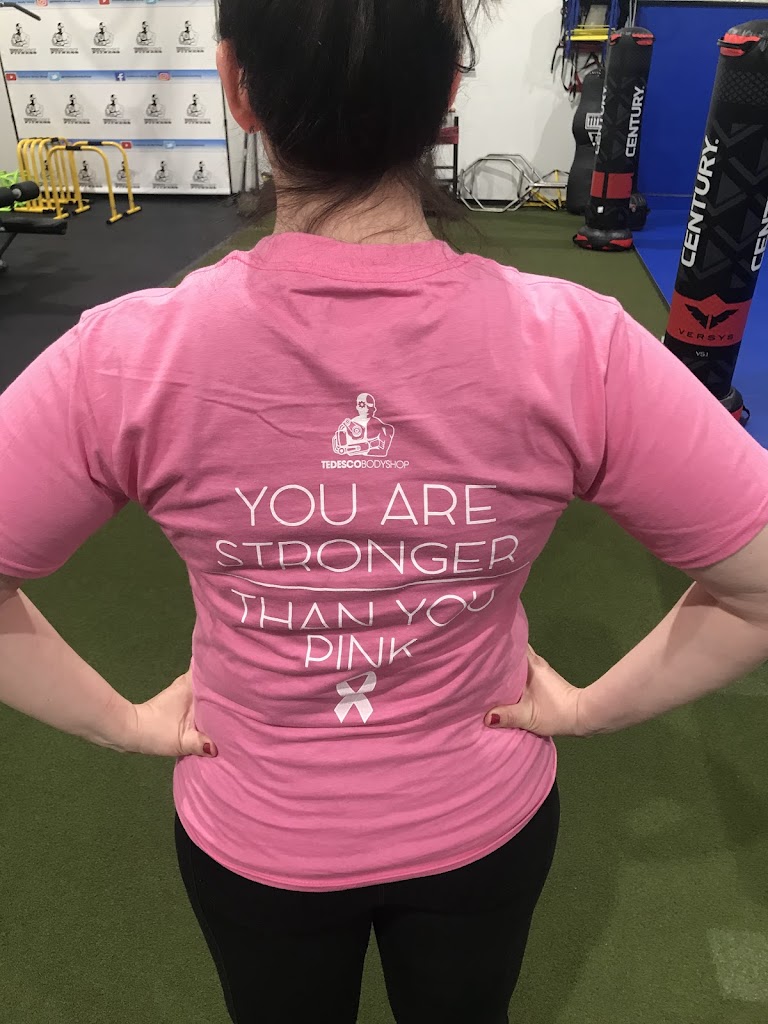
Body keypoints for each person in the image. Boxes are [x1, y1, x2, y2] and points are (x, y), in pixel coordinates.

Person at [1, 0, 768, 1022]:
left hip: (261, 833)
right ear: (448, 96)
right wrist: (590, 710)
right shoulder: (575, 341)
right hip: (476, 828)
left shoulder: (128, 353)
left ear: (234, 87)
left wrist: (125, 725)